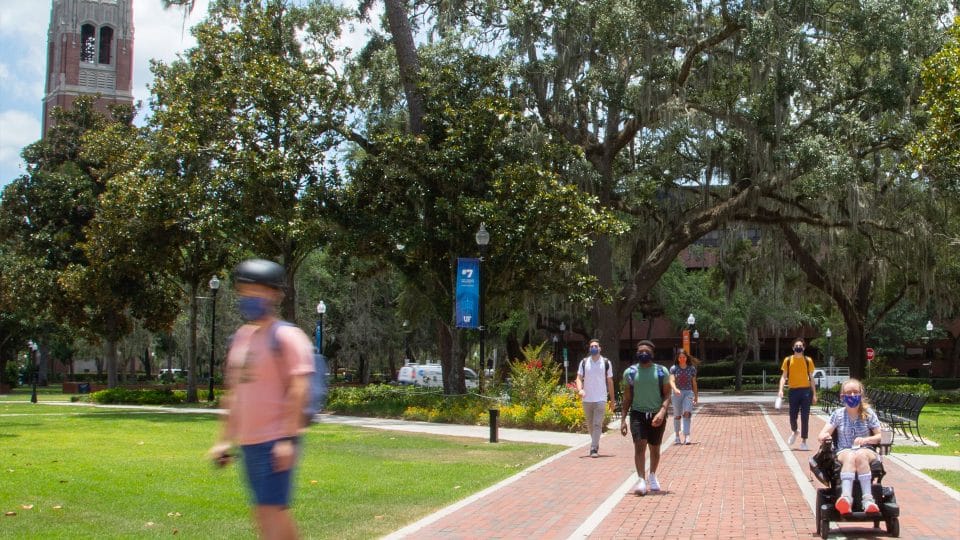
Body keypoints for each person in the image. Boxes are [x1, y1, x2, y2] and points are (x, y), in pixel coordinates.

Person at [208, 259, 315, 540]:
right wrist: (223, 439)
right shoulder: (242, 338)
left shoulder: (288, 337)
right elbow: (234, 393)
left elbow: (299, 387)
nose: (249, 298)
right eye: (244, 292)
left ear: (274, 294)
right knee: (269, 512)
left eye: (256, 291)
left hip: (275, 439)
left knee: (269, 513)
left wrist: (286, 439)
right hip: (249, 443)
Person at [817, 379, 882, 515]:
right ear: (842, 396)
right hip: (844, 450)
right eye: (848, 392)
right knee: (851, 455)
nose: (852, 395)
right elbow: (822, 433)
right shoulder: (838, 414)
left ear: (861, 394)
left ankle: (868, 500)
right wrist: (825, 436)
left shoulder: (868, 413)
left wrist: (866, 440)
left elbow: (879, 436)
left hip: (866, 450)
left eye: (855, 392)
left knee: (860, 454)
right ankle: (846, 498)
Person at [620, 340, 671, 495]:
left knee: (654, 448)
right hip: (637, 414)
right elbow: (627, 398)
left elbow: (667, 393)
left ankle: (652, 475)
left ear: (652, 354)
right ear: (636, 353)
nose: (643, 353)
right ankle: (641, 479)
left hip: (657, 414)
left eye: (646, 351)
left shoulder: (662, 371)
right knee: (639, 445)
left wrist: (662, 412)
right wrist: (622, 419)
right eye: (640, 351)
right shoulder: (630, 373)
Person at [575, 338, 616, 458]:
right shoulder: (584, 362)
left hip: (601, 398)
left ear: (600, 348)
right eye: (591, 346)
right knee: (590, 425)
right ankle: (595, 443)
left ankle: (593, 448)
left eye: (595, 346)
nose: (593, 348)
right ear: (589, 348)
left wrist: (612, 400)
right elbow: (578, 378)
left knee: (597, 424)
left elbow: (610, 381)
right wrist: (580, 389)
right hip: (587, 399)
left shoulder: (606, 362)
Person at [777, 337, 818, 451]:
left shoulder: (808, 360)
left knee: (805, 417)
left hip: (805, 391)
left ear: (804, 348)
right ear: (793, 347)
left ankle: (804, 441)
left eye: (800, 346)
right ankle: (795, 431)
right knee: (792, 417)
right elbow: (784, 376)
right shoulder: (788, 360)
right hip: (793, 391)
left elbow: (811, 378)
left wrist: (814, 394)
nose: (798, 347)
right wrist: (781, 390)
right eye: (796, 346)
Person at [668, 350, 699, 445]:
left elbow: (694, 383)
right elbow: (671, 380)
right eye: (680, 357)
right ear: (678, 358)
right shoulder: (674, 368)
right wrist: (675, 389)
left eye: (684, 357)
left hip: (688, 393)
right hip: (677, 393)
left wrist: (696, 396)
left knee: (687, 413)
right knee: (677, 415)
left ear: (686, 358)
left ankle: (687, 436)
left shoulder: (692, 368)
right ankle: (677, 436)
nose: (682, 359)